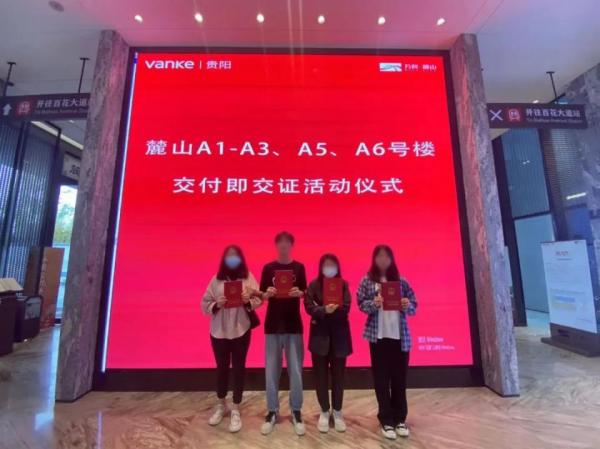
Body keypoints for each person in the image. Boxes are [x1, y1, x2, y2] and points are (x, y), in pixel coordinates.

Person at [357, 245, 417, 440]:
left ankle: (400, 419)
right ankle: (386, 420)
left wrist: (406, 304)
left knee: (399, 379)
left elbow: (414, 305)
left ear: (391, 259)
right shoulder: (367, 281)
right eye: (379, 256)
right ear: (374, 259)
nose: (383, 259)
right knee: (381, 380)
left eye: (386, 256)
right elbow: (360, 304)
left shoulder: (401, 281)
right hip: (378, 338)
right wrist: (374, 303)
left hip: (400, 338)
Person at [201, 245, 262, 433]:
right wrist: (216, 304)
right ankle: (221, 404)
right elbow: (204, 304)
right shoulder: (216, 280)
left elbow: (260, 298)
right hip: (219, 332)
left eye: (235, 256)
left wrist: (247, 300)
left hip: (241, 330)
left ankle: (236, 407)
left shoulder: (247, 278)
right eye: (229, 256)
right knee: (221, 368)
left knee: (239, 368)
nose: (232, 259)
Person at [259, 231, 307, 436]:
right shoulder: (268, 268)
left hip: (293, 325)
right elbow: (261, 295)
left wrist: (301, 293)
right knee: (271, 371)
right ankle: (272, 411)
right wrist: (266, 294)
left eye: (287, 243)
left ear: (292, 245)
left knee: (295, 371)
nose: (284, 245)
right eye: (280, 242)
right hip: (272, 325)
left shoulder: (299, 268)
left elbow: (305, 292)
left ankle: (296, 411)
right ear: (276, 245)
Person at [304, 253, 352, 433]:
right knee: (321, 377)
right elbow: (308, 307)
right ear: (321, 267)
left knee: (339, 377)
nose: (329, 268)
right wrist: (324, 310)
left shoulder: (343, 284)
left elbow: (347, 306)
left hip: (339, 337)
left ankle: (337, 412)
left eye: (332, 265)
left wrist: (334, 309)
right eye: (326, 265)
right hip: (319, 337)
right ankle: (324, 411)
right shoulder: (313, 285)